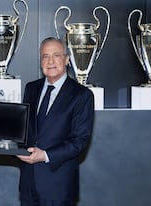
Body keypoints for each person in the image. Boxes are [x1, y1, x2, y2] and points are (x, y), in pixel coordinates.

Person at [17, 37, 95, 206]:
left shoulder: (82, 95)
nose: (50, 61)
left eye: (56, 55)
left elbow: (79, 141)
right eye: (45, 56)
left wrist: (44, 155)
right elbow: (25, 129)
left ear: (67, 59)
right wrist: (9, 143)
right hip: (28, 183)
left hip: (58, 186)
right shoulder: (31, 88)